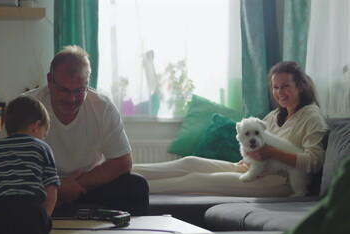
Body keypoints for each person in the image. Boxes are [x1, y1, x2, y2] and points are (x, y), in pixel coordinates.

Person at [132, 61, 328, 197]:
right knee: (191, 162)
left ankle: (125, 188)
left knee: (197, 180)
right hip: (250, 168)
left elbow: (315, 161)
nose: (279, 92)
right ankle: (120, 173)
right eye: (275, 87)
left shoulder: (311, 116)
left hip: (279, 181)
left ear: (300, 86)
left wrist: (272, 152)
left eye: (285, 86)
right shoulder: (276, 114)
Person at [22, 45, 149, 215]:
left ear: (87, 84)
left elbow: (123, 162)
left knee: (136, 186)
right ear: (50, 82)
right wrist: (54, 186)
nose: (71, 99)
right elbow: (10, 162)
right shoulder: (26, 106)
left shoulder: (102, 107)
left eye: (79, 90)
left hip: (86, 186)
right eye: (64, 90)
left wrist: (70, 186)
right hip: (41, 189)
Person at [0, 96, 60, 234]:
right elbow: (51, 192)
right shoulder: (42, 147)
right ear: (35, 126)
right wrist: (44, 220)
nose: (43, 139)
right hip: (28, 210)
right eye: (43, 135)